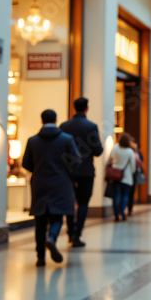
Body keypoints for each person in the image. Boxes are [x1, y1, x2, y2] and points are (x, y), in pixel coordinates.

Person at [21, 109, 78, 266]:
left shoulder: (32, 141)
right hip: (61, 183)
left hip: (40, 183)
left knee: (40, 221)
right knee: (57, 217)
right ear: (56, 120)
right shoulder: (66, 139)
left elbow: (26, 163)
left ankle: (40, 257)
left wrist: (39, 170)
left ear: (41, 121)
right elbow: (75, 161)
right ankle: (52, 237)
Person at [59, 97, 103, 248]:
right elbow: (98, 151)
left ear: (73, 108)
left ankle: (70, 232)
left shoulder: (64, 126)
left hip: (68, 171)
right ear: (87, 108)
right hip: (86, 171)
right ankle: (77, 235)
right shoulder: (91, 126)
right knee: (83, 203)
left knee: (70, 202)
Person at [106, 134, 137, 221]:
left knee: (116, 195)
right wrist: (132, 172)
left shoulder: (115, 148)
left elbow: (110, 159)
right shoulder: (130, 151)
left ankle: (116, 214)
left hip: (115, 175)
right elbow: (133, 166)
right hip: (126, 177)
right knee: (125, 195)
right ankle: (122, 212)